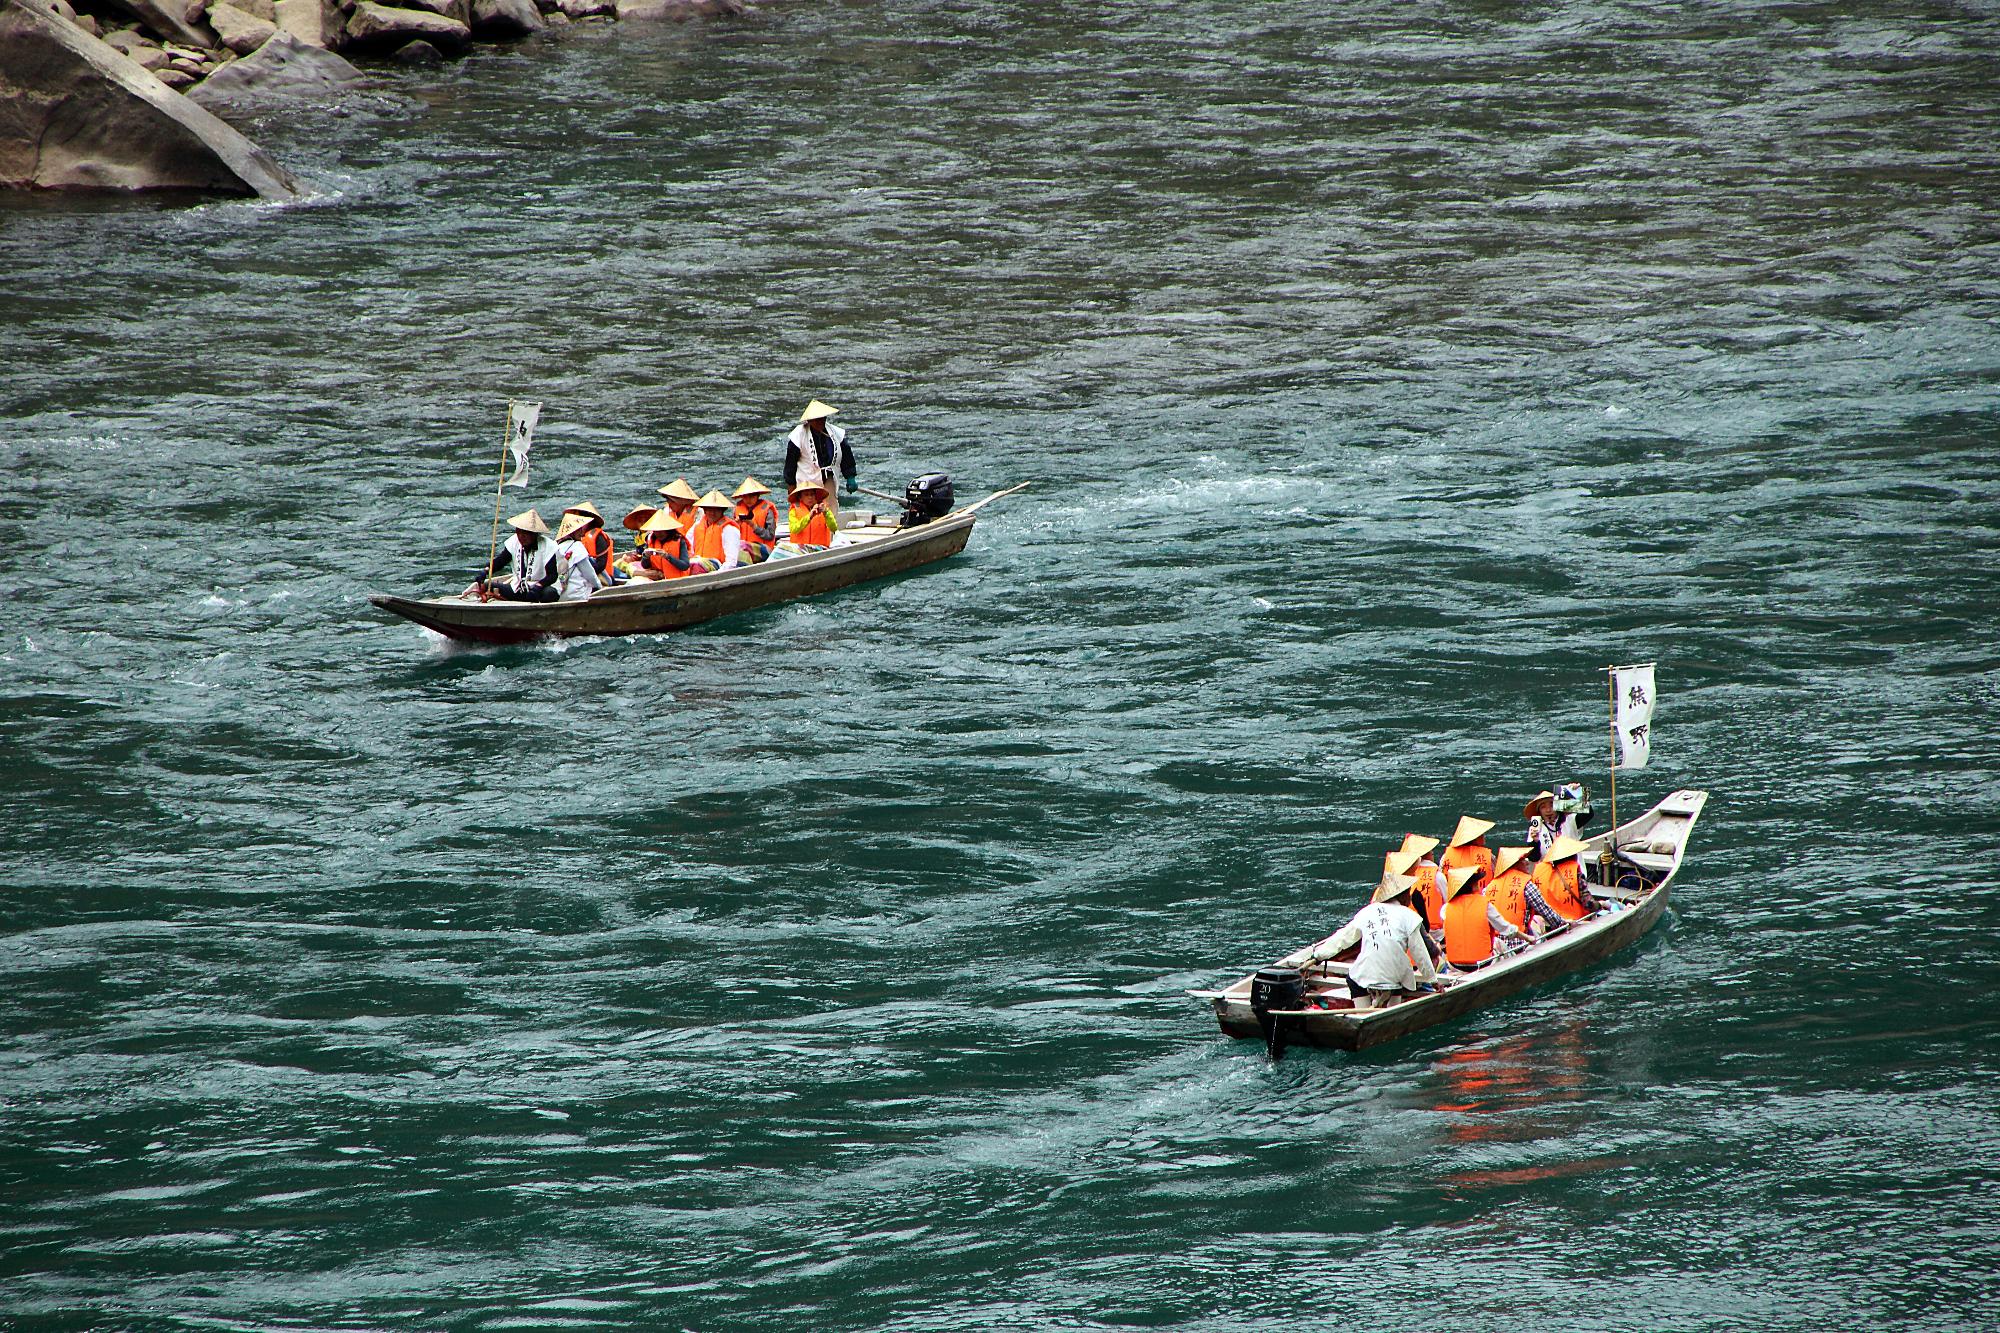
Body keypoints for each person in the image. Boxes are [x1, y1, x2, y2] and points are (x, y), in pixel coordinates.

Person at [1282, 873, 1437, 1009]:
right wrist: (1433, 980)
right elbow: (1420, 954)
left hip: (1369, 974)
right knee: (1397, 979)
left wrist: (1318, 956)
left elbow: (1342, 938)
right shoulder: (1409, 916)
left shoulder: (1367, 912)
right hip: (1395, 978)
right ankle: (1382, 1009)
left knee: (1354, 980)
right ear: (1403, 895)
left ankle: (1360, 1010)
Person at [782, 400, 856, 521]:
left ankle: (829, 534)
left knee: (829, 508)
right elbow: (790, 463)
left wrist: (850, 476)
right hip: (807, 478)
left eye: (822, 418)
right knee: (807, 510)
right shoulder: (798, 436)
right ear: (809, 421)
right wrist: (791, 485)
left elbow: (847, 456)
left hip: (828, 477)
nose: (820, 422)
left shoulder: (835, 433)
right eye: (816, 419)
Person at [1442, 865, 1528, 969]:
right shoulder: (1485, 904)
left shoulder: (1445, 908)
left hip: (1454, 965)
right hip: (1482, 963)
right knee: (1499, 943)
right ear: (1473, 886)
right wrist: (1528, 938)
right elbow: (1507, 929)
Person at [479, 509, 558, 601]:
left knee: (550, 593)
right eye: (519, 532)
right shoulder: (513, 542)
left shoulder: (548, 546)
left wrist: (539, 586)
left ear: (534, 534)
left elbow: (552, 575)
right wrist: (486, 570)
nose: (521, 537)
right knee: (486, 585)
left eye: (525, 534)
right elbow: (500, 561)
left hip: (539, 588)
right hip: (518, 588)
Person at [1531, 835, 1595, 921]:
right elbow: (1588, 904)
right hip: (1576, 922)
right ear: (1572, 856)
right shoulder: (1576, 874)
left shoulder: (1540, 871)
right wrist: (1601, 905)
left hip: (1548, 923)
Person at [683, 490, 744, 572]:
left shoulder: (729, 529)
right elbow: (687, 545)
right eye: (709, 509)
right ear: (704, 510)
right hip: (697, 563)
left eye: (716, 510)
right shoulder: (697, 525)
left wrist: (717, 575)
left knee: (696, 564)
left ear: (722, 510)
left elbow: (731, 561)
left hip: (718, 566)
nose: (712, 513)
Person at [552, 510, 606, 602]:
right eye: (579, 530)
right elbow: (590, 574)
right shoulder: (578, 547)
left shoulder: (554, 546)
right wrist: (600, 588)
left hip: (558, 595)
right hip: (577, 595)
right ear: (573, 532)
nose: (581, 533)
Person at [628, 509, 695, 581]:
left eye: (661, 530)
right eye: (656, 531)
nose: (659, 533)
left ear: (668, 529)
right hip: (657, 579)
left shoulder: (680, 541)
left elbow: (685, 566)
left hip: (676, 580)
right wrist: (646, 557)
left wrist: (667, 556)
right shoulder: (651, 540)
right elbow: (645, 566)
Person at [559, 502, 616, 583]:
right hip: (585, 572)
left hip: (603, 576)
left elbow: (601, 566)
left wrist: (582, 572)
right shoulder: (577, 537)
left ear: (589, 521)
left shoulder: (599, 537)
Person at [1404, 834, 1447, 931]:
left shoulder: (1405, 874)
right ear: (1428, 854)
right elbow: (1448, 903)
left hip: (1411, 928)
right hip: (1436, 932)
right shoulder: (1437, 876)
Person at [731, 476, 779, 563]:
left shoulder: (767, 510)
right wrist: (735, 524)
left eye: (752, 496)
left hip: (764, 550)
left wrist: (754, 526)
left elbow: (770, 536)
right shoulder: (737, 509)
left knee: (742, 547)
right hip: (743, 549)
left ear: (758, 495)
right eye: (745, 497)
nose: (748, 500)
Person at [1442, 816, 1497, 888]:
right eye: (1481, 835)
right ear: (1475, 838)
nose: (1484, 839)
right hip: (1481, 898)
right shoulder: (1489, 857)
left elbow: (1442, 880)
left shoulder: (1445, 857)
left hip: (1454, 898)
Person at [788, 481, 838, 549]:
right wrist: (809, 517)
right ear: (800, 498)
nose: (810, 497)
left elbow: (834, 528)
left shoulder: (824, 509)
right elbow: (794, 529)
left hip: (820, 549)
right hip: (800, 550)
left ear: (815, 496)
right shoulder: (794, 511)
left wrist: (826, 513)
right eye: (806, 495)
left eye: (812, 494)